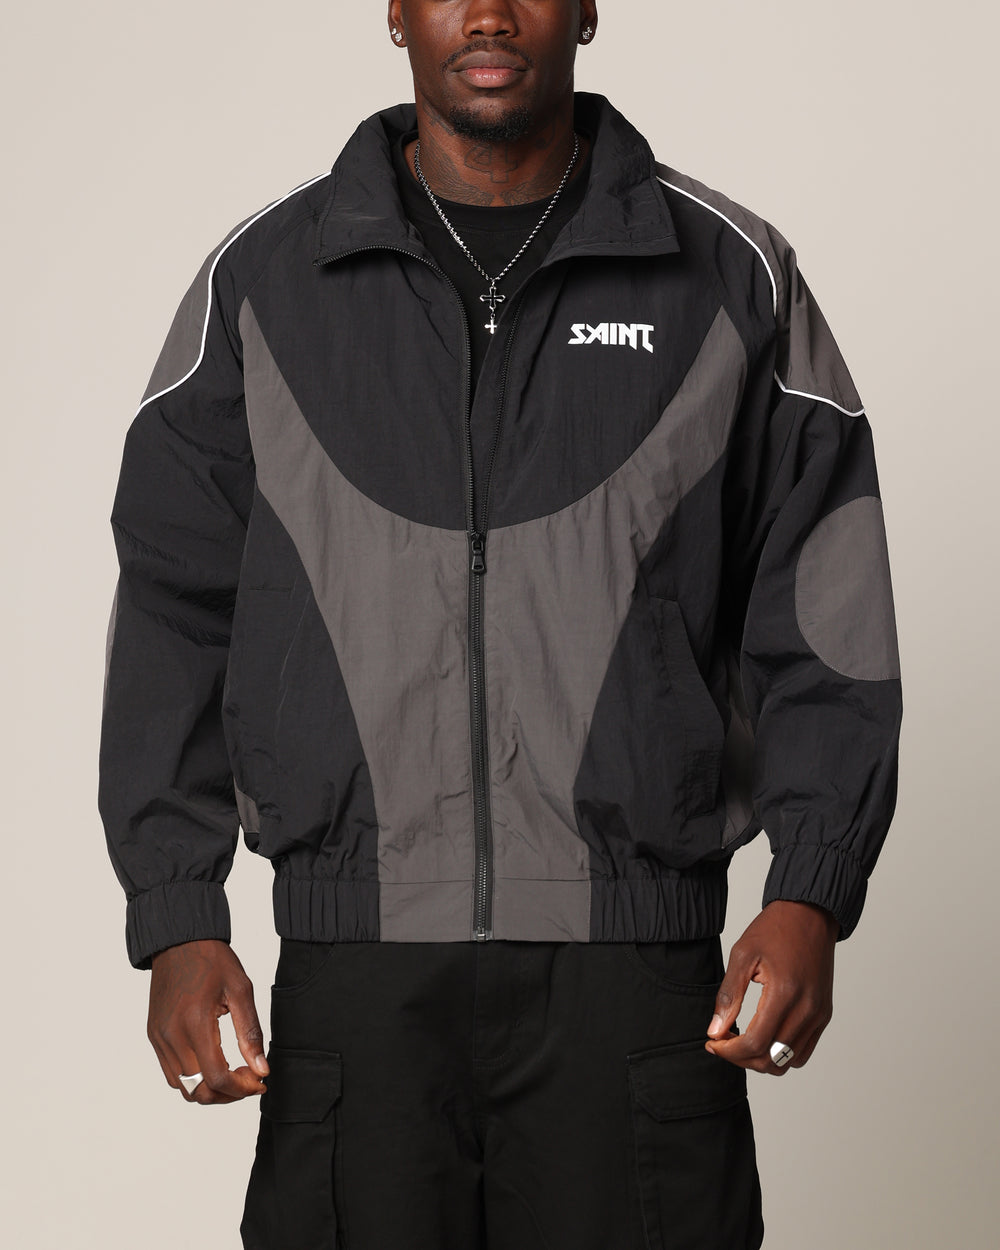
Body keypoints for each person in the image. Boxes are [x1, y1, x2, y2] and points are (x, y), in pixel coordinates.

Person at [97, 2, 903, 1247]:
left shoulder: (729, 273)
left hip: (635, 978)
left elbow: (825, 597)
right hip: (356, 974)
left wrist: (811, 885)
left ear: (586, 7)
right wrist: (176, 911)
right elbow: (171, 603)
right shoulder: (263, 282)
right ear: (394, 12)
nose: (485, 12)